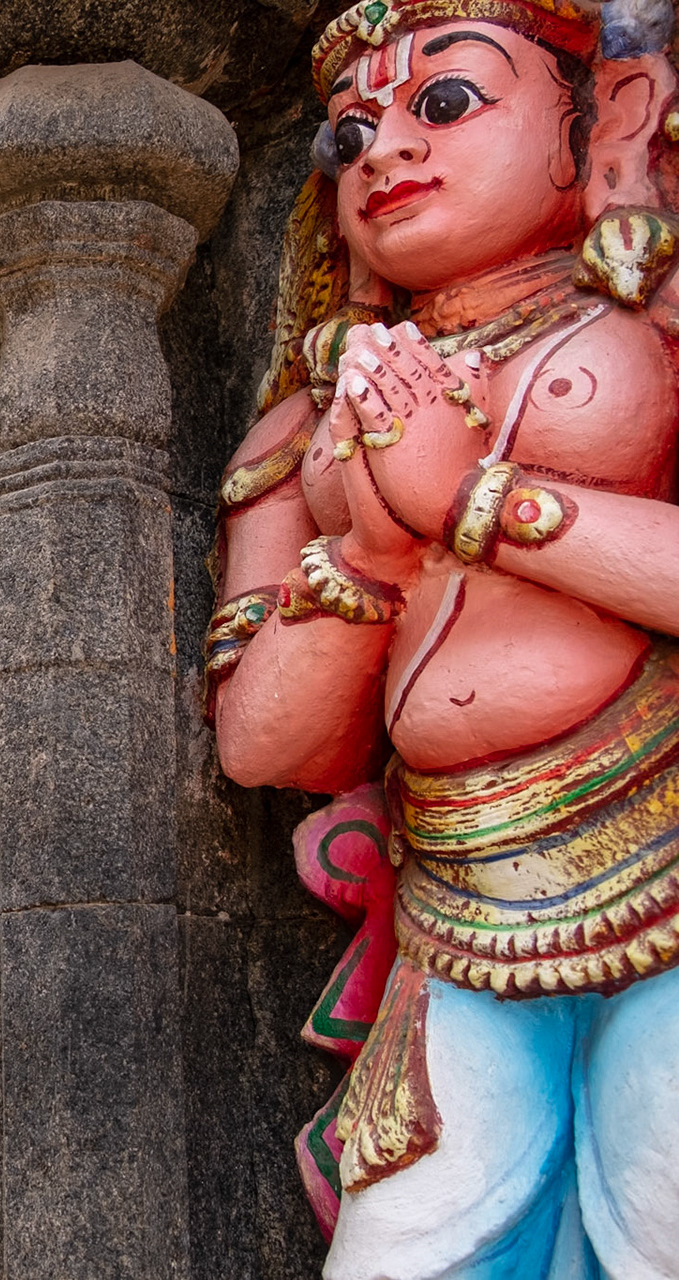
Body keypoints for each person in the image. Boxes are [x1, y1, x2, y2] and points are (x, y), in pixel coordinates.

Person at [210, 0, 679, 1272]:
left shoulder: (654, 320)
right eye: (348, 136)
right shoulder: (310, 423)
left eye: (447, 102)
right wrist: (368, 554)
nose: (386, 152)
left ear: (608, 118)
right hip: (459, 910)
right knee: (407, 1244)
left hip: (664, 856)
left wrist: (475, 502)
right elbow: (267, 747)